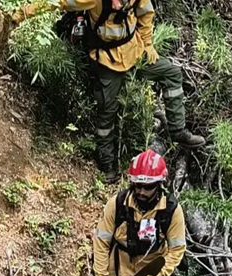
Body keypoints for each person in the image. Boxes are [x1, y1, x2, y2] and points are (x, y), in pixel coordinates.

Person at [15, 0, 206, 183]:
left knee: (171, 73)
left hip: (134, 52)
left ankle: (178, 130)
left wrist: (147, 43)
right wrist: (18, 15)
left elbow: (146, 12)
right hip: (107, 60)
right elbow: (55, 3)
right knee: (107, 110)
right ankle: (107, 164)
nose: (117, 5)